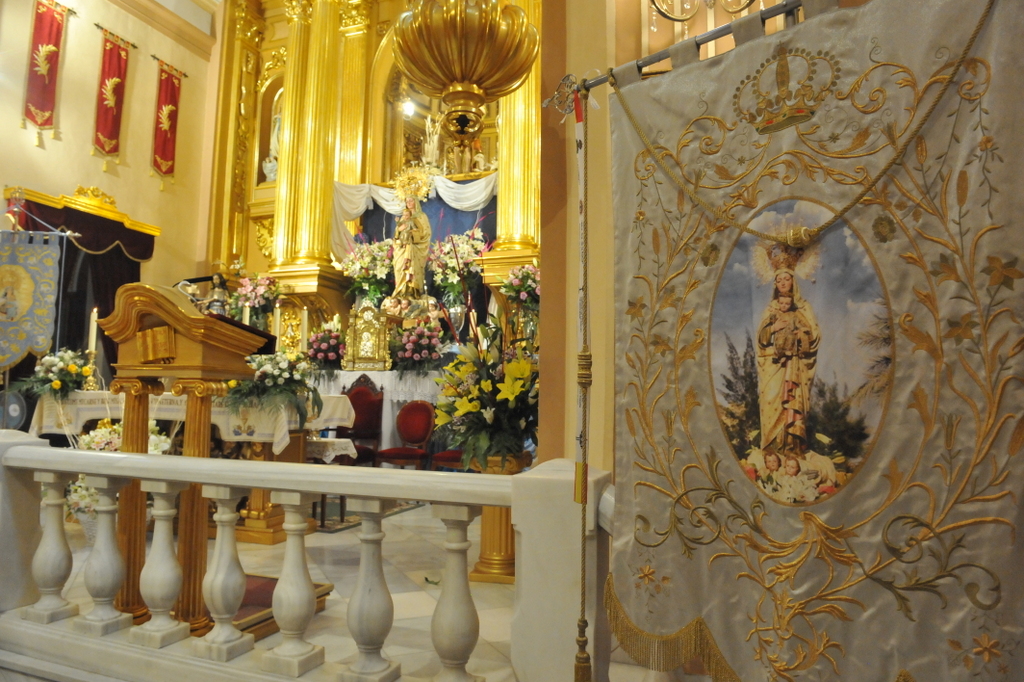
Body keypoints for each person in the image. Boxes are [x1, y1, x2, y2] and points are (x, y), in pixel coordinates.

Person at [756, 268, 820, 460]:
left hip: (794, 364)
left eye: (787, 279)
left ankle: (792, 449)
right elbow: (760, 339)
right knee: (770, 401)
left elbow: (813, 335)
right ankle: (772, 453)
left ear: (793, 282)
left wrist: (802, 336)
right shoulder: (770, 309)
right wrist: (773, 329)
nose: (783, 283)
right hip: (772, 364)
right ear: (775, 284)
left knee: (792, 402)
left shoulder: (803, 308)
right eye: (779, 280)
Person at [392, 196, 431, 299]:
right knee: (400, 267)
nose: (408, 203)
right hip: (402, 248)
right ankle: (401, 292)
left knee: (413, 269)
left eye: (411, 200)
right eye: (407, 201)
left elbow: (426, 233)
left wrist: (413, 235)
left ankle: (412, 293)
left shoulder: (421, 216)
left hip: (415, 248)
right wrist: (399, 230)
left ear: (416, 202)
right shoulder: (403, 218)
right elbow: (397, 234)